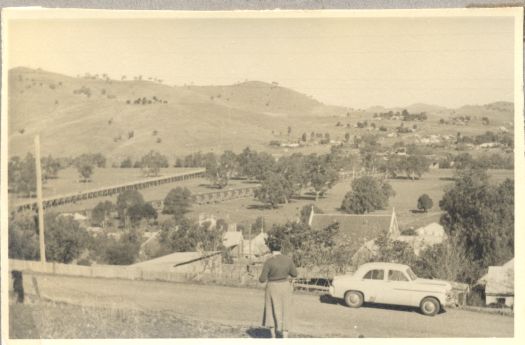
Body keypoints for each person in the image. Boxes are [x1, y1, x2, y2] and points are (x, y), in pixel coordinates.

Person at [259, 239, 297, 338]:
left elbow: (262, 279)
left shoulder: (269, 261)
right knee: (286, 310)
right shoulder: (288, 260)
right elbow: (294, 274)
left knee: (271, 310)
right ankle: (285, 337)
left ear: (270, 249)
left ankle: (273, 337)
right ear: (280, 248)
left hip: (272, 287)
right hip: (285, 286)